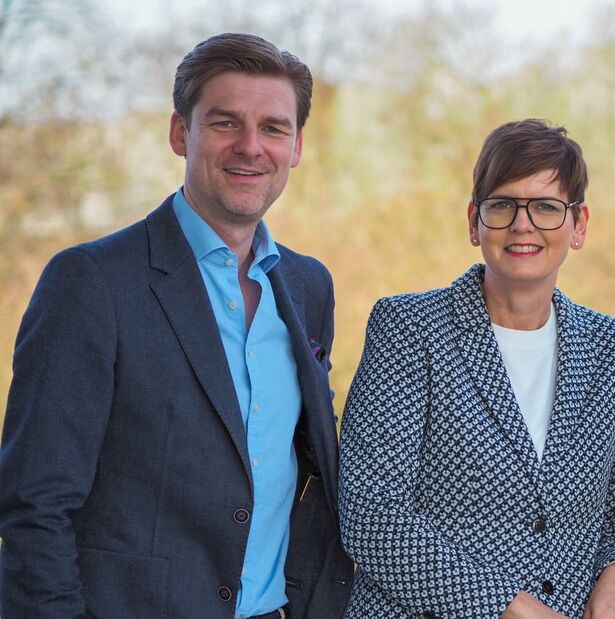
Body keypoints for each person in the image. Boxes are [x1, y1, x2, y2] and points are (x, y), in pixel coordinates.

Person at [0, 33, 353, 618]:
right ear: (179, 133)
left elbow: (302, 470)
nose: (250, 147)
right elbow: (34, 505)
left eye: (273, 128)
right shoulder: (91, 283)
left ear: (295, 147)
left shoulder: (309, 286)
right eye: (223, 123)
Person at [339, 118, 615, 618]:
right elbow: (372, 516)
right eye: (502, 204)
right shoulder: (409, 329)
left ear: (580, 225)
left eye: (547, 207)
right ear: (473, 222)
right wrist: (509, 608)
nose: (522, 224)